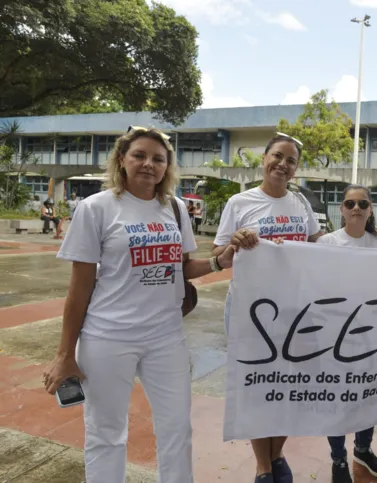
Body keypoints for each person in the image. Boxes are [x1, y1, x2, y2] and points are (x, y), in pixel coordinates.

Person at [42, 126, 236, 483]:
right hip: (107, 337)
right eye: (139, 156)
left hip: (166, 337)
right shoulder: (96, 208)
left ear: (167, 167)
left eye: (158, 159)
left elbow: (181, 268)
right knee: (106, 433)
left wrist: (217, 262)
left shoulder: (175, 209)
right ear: (122, 159)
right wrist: (64, 353)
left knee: (177, 429)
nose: (149, 164)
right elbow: (79, 288)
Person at [212, 133, 323, 483]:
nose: (283, 164)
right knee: (257, 382)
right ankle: (263, 465)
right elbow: (219, 257)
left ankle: (277, 455)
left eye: (291, 160)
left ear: (296, 168)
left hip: (294, 309)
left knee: (289, 384)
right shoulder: (240, 202)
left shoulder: (301, 205)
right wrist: (235, 243)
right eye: (277, 156)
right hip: (251, 309)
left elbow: (320, 247)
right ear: (264, 159)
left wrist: (367, 235)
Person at [317, 184, 377, 483]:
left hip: (372, 334)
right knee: (336, 396)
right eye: (350, 203)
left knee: (366, 396)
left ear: (371, 209)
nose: (356, 208)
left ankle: (362, 449)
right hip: (335, 335)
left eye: (362, 203)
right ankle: (338, 459)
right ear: (342, 209)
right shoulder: (326, 242)